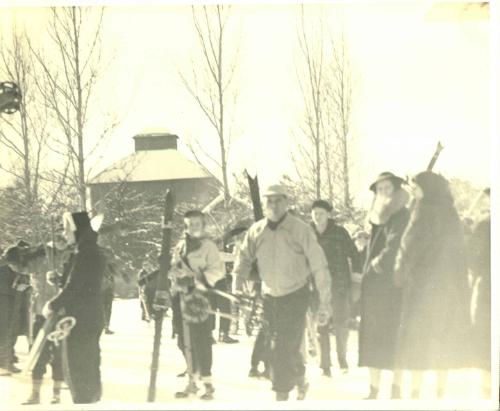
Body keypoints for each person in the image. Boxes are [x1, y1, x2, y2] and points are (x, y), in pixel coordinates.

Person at [234, 184, 331, 401]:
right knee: (279, 345)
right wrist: (237, 287)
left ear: (287, 202)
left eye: (278, 200)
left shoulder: (300, 230)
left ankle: (281, 397)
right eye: (270, 201)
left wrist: (325, 300)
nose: (274, 205)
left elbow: (319, 265)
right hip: (270, 297)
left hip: (296, 295)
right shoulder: (256, 231)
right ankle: (299, 378)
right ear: (264, 205)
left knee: (281, 346)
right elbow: (243, 259)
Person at [393, 171, 473, 399]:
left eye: (416, 188)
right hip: (447, 290)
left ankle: (415, 393)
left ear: (427, 189)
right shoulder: (451, 213)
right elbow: (460, 253)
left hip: (421, 289)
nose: (414, 193)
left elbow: (408, 247)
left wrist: (398, 274)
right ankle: (440, 393)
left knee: (417, 341)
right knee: (443, 340)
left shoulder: (422, 211)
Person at [45, 211, 106, 404]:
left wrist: (53, 304)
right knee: (88, 365)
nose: (64, 234)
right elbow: (78, 281)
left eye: (66, 229)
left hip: (82, 318)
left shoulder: (85, 253)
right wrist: (60, 279)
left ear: (76, 230)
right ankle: (89, 401)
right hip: (89, 316)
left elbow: (75, 286)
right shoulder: (87, 250)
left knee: (79, 368)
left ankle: (85, 403)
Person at [358, 172, 410, 400]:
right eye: (380, 189)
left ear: (397, 190)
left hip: (393, 288)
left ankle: (396, 390)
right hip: (374, 290)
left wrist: (377, 264)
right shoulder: (376, 217)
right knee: (372, 339)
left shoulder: (401, 214)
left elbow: (395, 245)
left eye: (388, 188)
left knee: (394, 340)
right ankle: (373, 390)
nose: (383, 193)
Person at [170, 210, 225, 400]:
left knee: (200, 339)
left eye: (196, 223)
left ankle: (207, 384)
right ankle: (192, 381)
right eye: (189, 224)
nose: (193, 227)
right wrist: (175, 276)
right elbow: (174, 268)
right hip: (180, 297)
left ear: (203, 225)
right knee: (183, 340)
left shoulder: (208, 246)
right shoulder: (180, 246)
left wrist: (194, 281)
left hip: (199, 298)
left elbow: (217, 272)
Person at [310, 199, 362, 376]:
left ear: (328, 215)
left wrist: (356, 278)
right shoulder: (308, 234)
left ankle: (342, 360)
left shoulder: (339, 233)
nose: (318, 217)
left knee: (340, 324)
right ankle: (325, 366)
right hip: (317, 287)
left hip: (339, 285)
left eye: (321, 213)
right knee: (321, 325)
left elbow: (355, 255)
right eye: (315, 213)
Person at [468, 187, 491, 398]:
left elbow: (472, 258)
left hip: (488, 288)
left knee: (486, 338)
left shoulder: (485, 224)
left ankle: (488, 392)